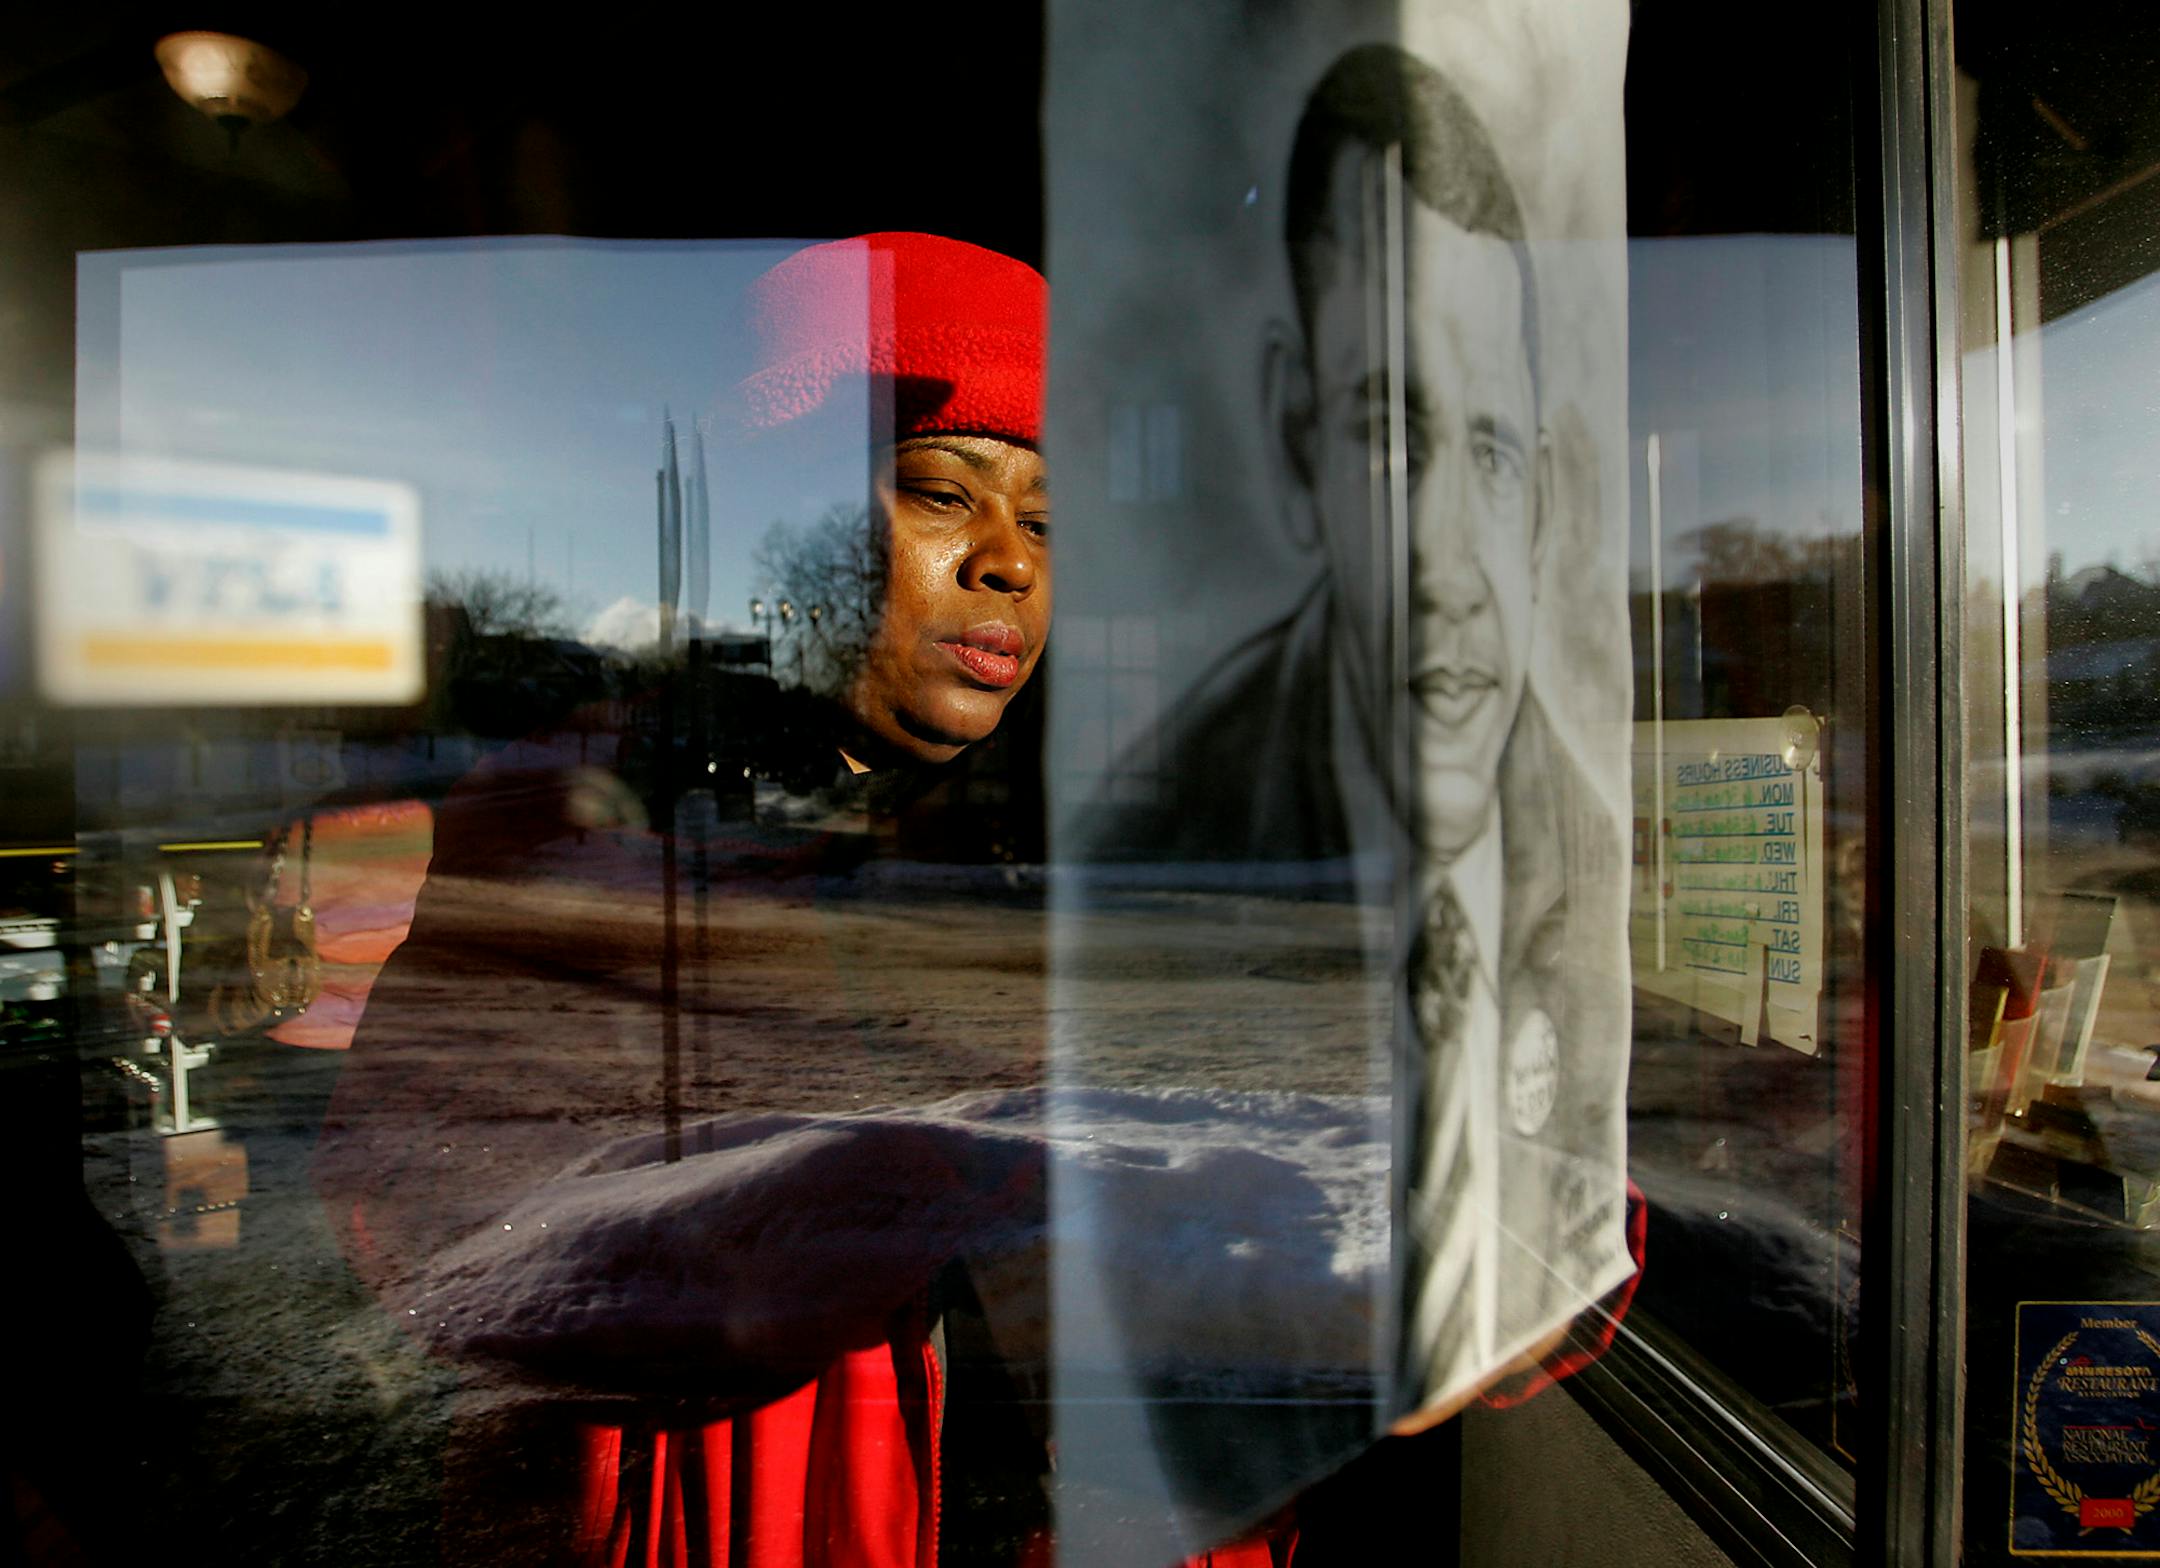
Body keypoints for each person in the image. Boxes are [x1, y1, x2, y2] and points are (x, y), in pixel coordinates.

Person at [316, 231, 1060, 1567]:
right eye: (943, 493)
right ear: (796, 522)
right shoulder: (586, 808)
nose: (1011, 560)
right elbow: (413, 1214)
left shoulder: (1024, 855)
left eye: (1047, 520)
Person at [1080, 41, 1638, 1430]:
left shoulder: (1593, 858)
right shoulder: (1158, 847)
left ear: (1545, 499)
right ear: (1294, 444)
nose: (1448, 561)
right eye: (1391, 436)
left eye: (1494, 455)